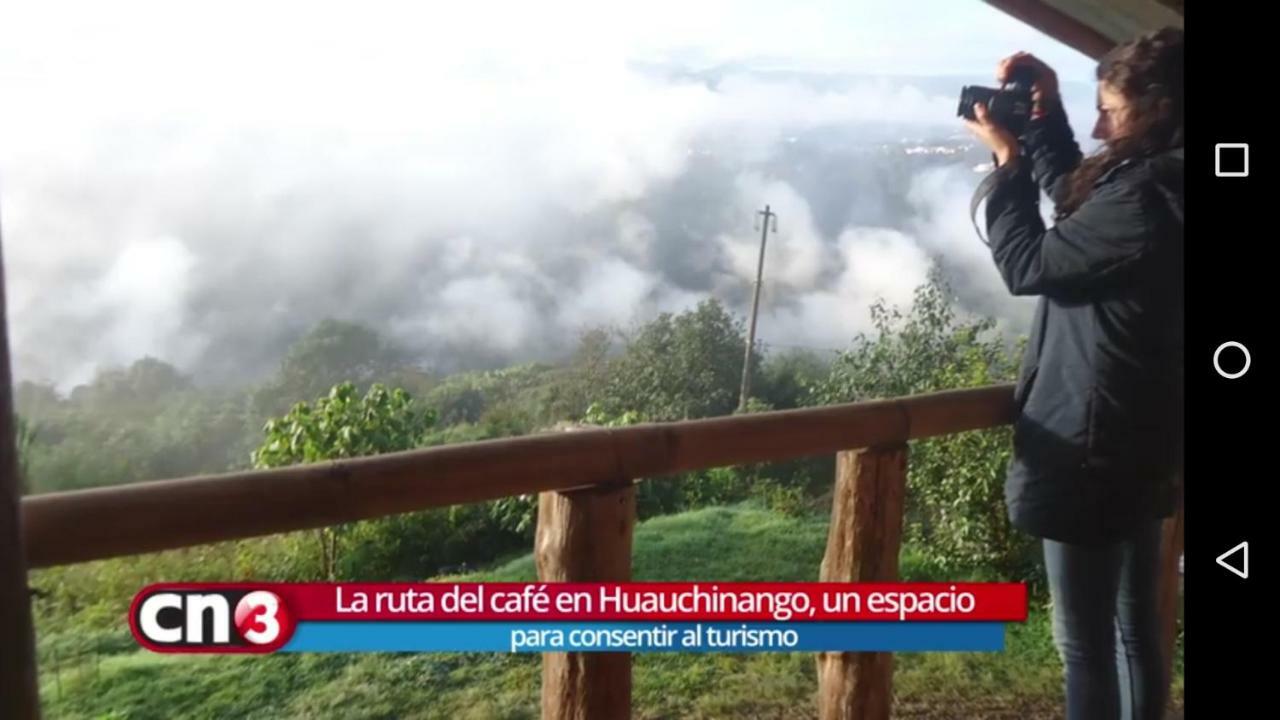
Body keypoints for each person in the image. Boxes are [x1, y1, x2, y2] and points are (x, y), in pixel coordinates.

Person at [964, 27, 1184, 720]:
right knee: (1134, 630)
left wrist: (1004, 163)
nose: (1098, 125)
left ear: (1159, 107)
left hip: (1088, 439)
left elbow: (1028, 264)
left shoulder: (1147, 198)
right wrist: (1044, 112)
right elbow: (1076, 194)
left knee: (1085, 643)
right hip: (1139, 435)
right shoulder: (1162, 178)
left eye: (1109, 111)